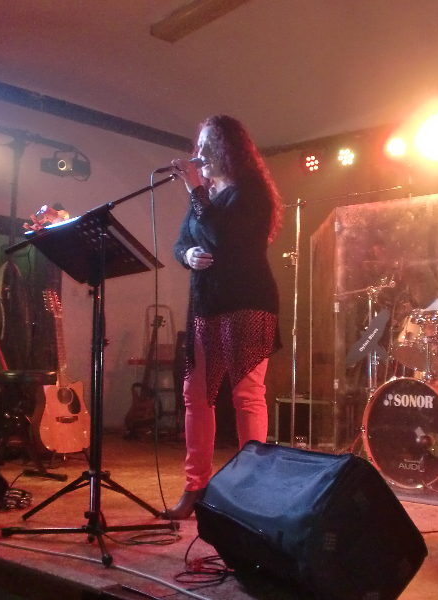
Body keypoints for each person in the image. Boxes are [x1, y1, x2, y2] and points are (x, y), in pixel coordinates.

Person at [164, 115, 282, 519]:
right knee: (195, 395)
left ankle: (251, 490)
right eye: (197, 144)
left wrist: (196, 190)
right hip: (207, 305)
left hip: (248, 301)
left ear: (227, 147)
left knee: (246, 395)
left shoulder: (252, 192)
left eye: (206, 144)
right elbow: (182, 242)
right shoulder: (205, 195)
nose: (198, 152)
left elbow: (224, 237)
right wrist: (187, 255)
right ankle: (195, 488)